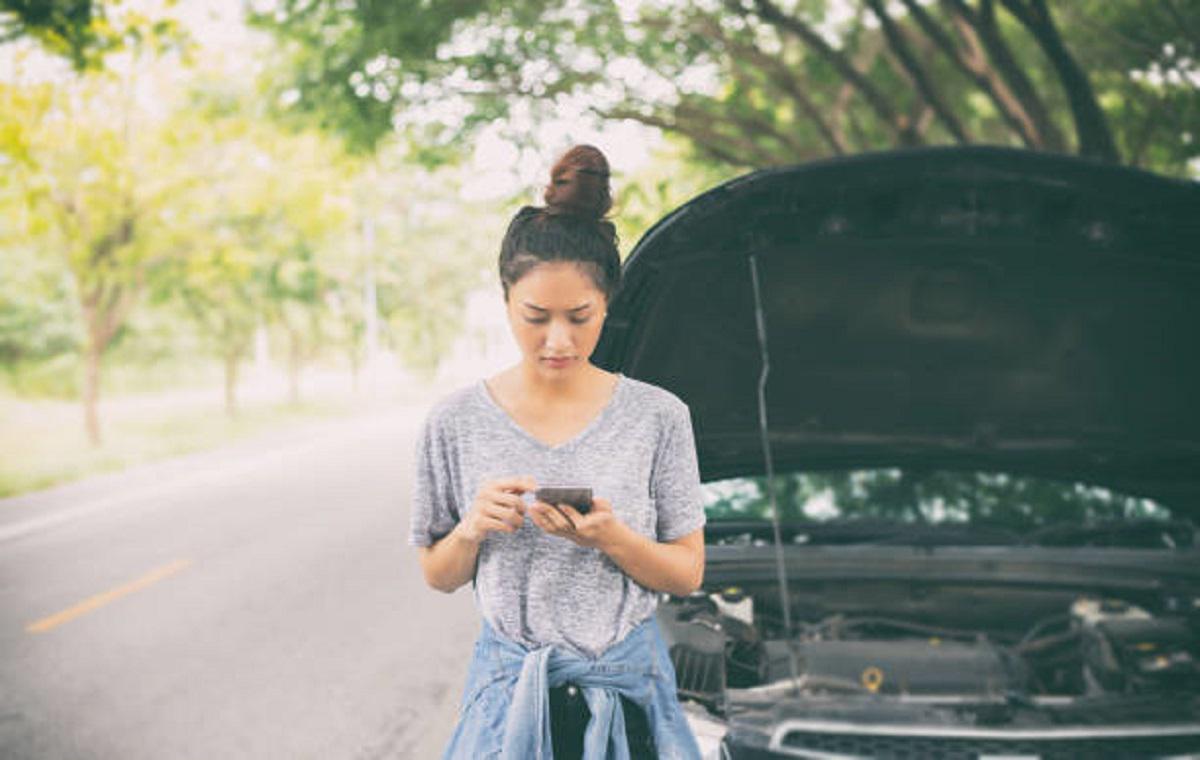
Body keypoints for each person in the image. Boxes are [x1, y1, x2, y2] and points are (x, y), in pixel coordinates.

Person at [408, 144, 706, 759]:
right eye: (536, 316)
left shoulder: (660, 417)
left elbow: (688, 571)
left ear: (609, 303)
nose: (558, 340)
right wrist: (471, 531)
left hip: (629, 700)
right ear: (505, 300)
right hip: (506, 701)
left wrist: (611, 539)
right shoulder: (454, 422)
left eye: (580, 316)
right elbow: (437, 574)